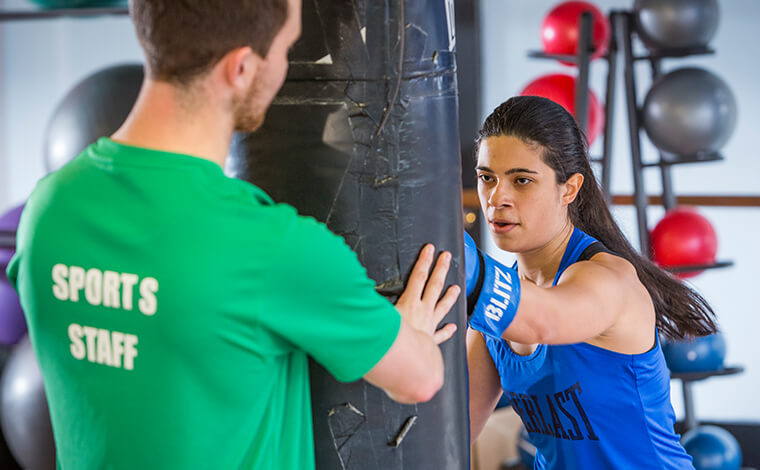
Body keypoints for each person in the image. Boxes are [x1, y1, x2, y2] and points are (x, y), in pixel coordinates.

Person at [6, 0, 461, 468]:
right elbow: (420, 378)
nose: (286, 66)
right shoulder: (271, 247)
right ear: (240, 68)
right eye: (285, 49)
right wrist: (412, 331)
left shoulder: (47, 211)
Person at [465, 96, 717, 469]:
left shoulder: (607, 280)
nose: (496, 198)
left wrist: (449, 252)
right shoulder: (497, 308)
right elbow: (453, 429)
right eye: (487, 177)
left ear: (569, 188)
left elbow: (545, 320)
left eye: (521, 180)